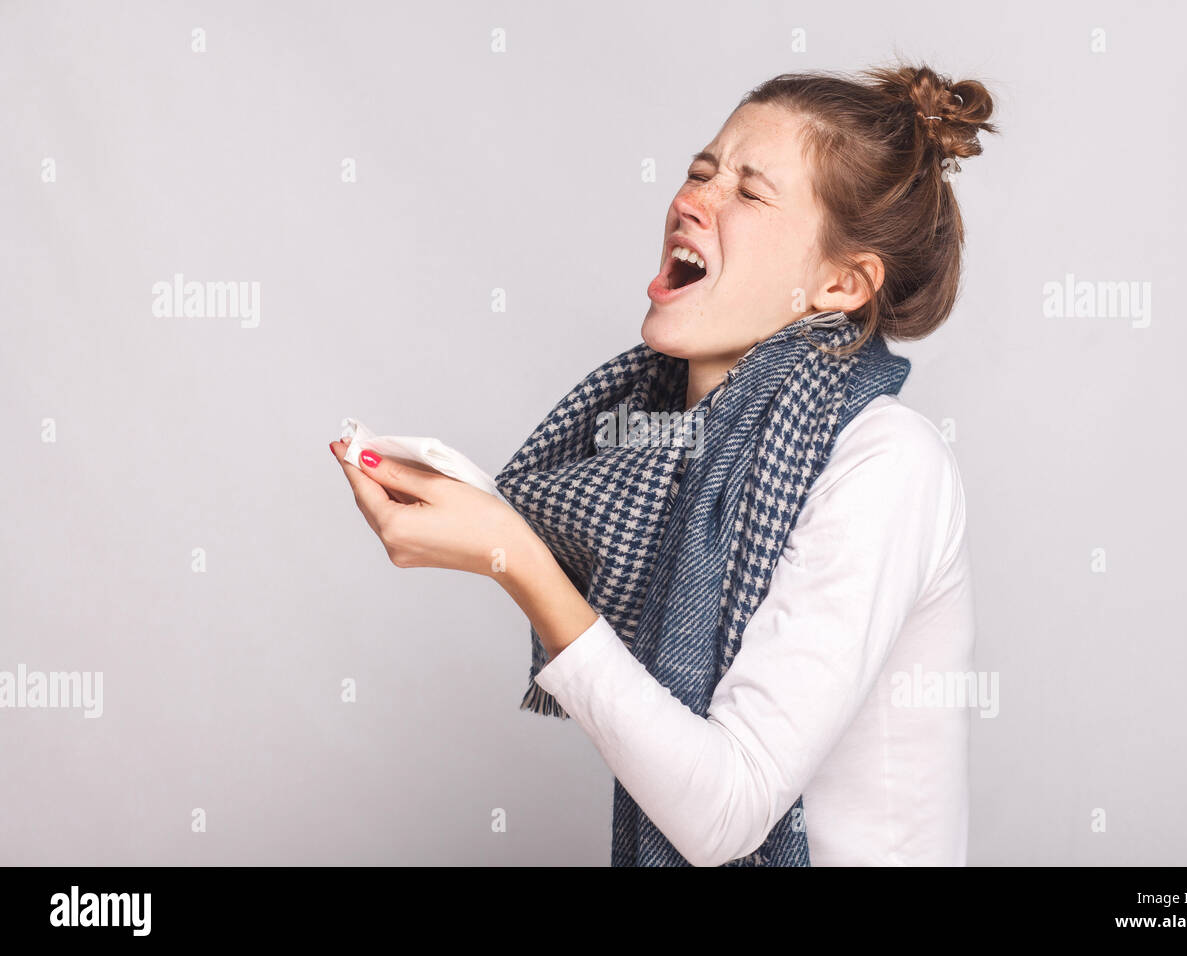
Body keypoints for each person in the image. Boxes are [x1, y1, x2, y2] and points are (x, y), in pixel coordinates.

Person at [329, 61, 997, 867]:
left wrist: (519, 563)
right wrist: (485, 520)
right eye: (700, 171)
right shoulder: (656, 441)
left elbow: (726, 812)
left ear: (839, 283)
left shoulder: (888, 462)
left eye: (748, 193)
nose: (691, 201)